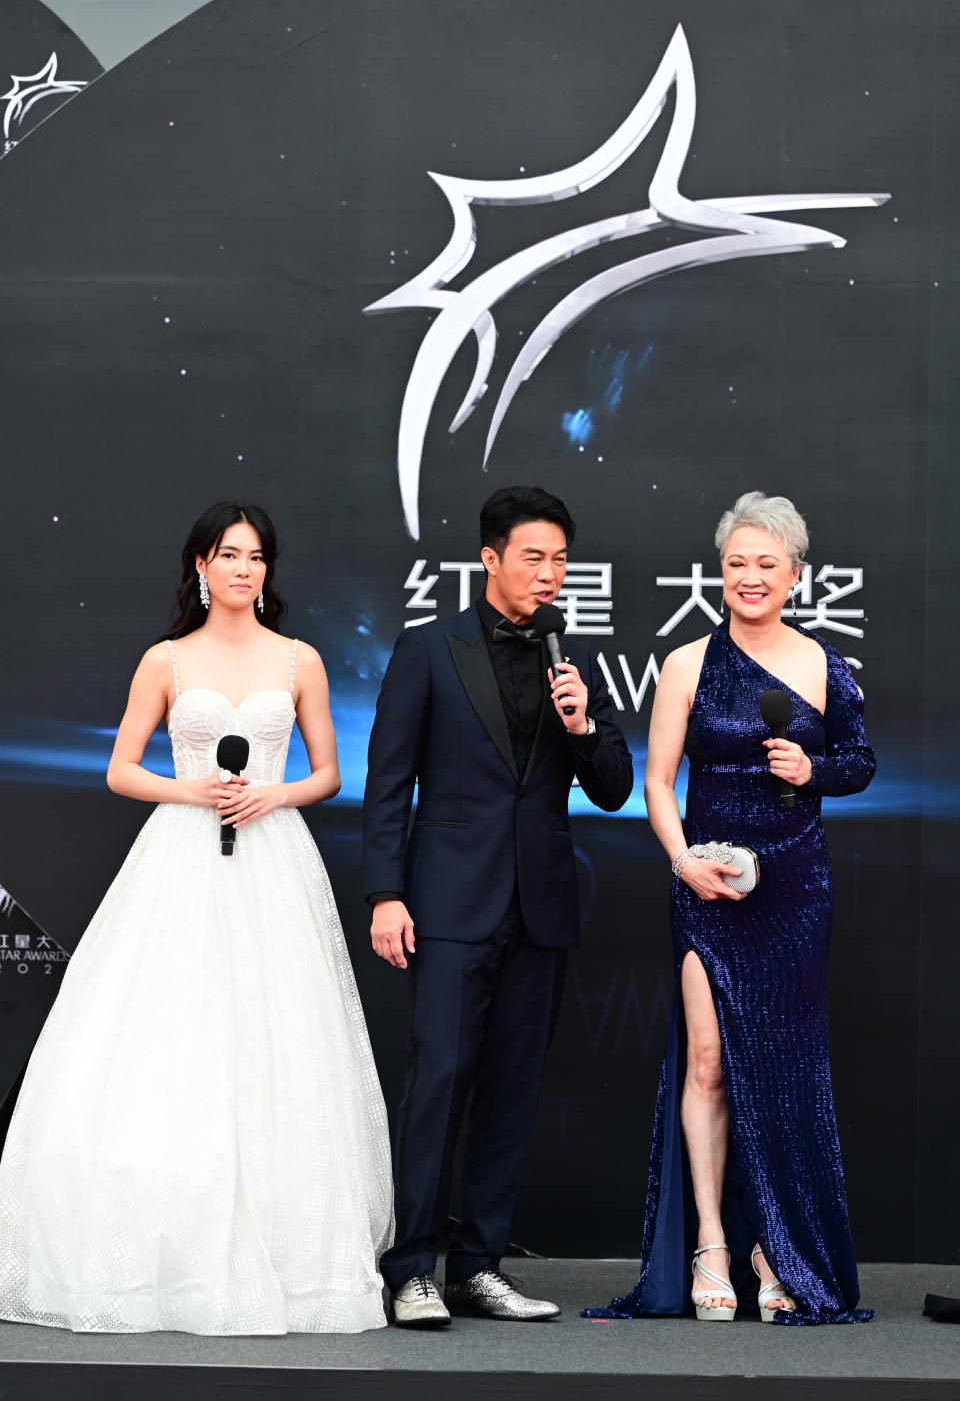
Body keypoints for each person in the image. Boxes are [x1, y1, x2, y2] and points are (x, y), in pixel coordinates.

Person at [0, 502, 392, 1335]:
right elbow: (118, 769)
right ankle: (160, 1255)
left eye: (257, 557)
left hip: (273, 856)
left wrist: (272, 793)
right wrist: (194, 791)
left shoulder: (300, 661)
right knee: (170, 1031)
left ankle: (286, 1257)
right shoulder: (166, 659)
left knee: (282, 1038)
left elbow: (326, 772)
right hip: (180, 856)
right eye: (229, 555)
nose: (245, 569)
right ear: (201, 567)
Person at [584, 491, 875, 1327]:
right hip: (707, 885)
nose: (751, 578)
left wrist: (809, 771)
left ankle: (774, 1248)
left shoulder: (824, 664)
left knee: (781, 1075)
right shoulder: (686, 664)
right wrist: (683, 862)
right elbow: (656, 782)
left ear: (795, 576)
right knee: (708, 1060)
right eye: (737, 563)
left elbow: (859, 760)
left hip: (794, 888)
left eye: (767, 565)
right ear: (721, 572)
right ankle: (712, 1238)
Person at [363, 485, 633, 1327]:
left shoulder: (571, 660)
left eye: (560, 560)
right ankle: (410, 1266)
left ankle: (479, 1265)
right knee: (438, 1084)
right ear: (490, 559)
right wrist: (385, 893)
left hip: (540, 909)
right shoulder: (428, 650)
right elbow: (387, 786)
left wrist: (584, 726)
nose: (550, 574)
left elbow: (615, 788)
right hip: (446, 903)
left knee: (513, 1094)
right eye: (534, 557)